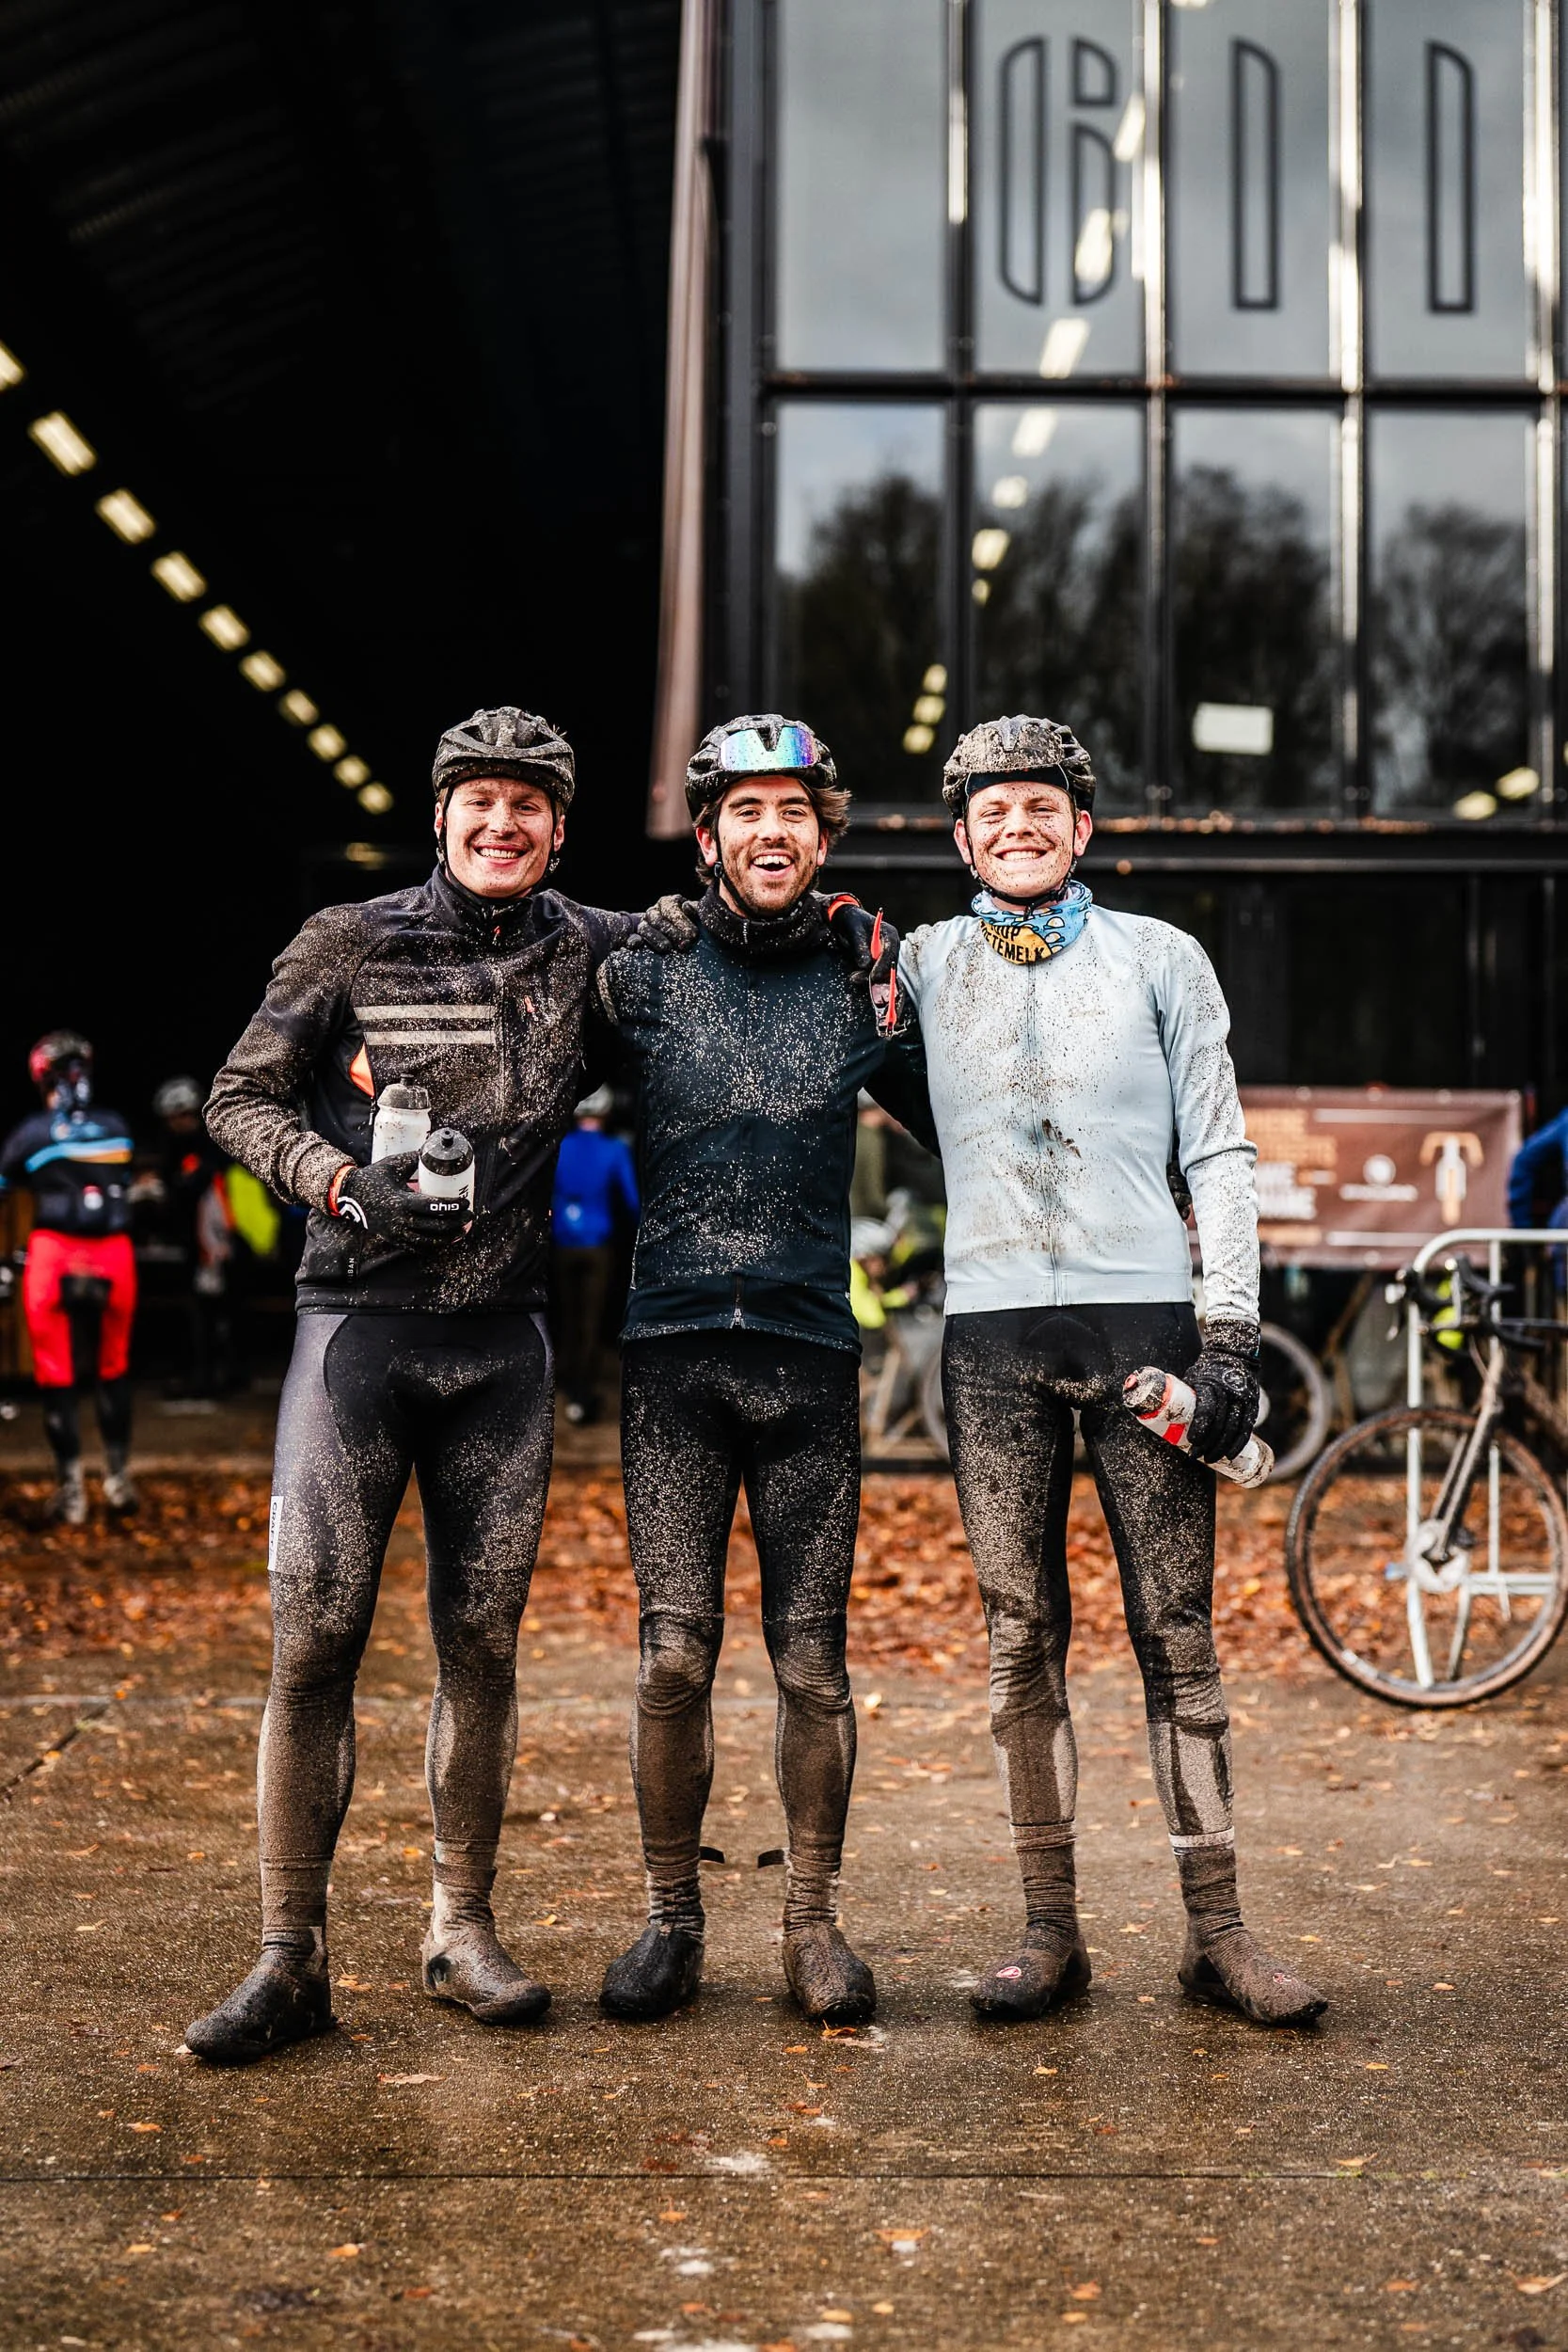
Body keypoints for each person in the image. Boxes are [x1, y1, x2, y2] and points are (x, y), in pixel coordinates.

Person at [186, 707, 690, 2065]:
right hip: (354, 1332)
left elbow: (719, 942)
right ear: (442, 815)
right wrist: (340, 1182)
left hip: (503, 1353)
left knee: (481, 1648)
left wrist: (845, 938)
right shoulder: (348, 939)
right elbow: (237, 1102)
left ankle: (459, 1928)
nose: (501, 824)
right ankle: (287, 1959)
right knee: (316, 1642)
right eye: (479, 801)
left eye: (528, 805)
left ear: (559, 829)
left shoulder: (593, 947)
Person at [897, 715, 1325, 2030]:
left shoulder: (1160, 956)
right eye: (990, 810)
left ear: (1081, 828)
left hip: (1144, 1326)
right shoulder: (912, 964)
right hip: (990, 1342)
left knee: (1176, 1636)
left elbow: (1220, 1156)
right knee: (1017, 1637)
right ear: (960, 838)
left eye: (1041, 806)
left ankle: (1217, 1933)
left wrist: (1231, 1337)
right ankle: (1048, 1931)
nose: (1016, 825)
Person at [592, 712, 923, 2028]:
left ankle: (810, 1928)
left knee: (812, 1666)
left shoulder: (861, 977)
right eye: (744, 811)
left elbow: (968, 1123)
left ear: (823, 834)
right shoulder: (642, 973)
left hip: (807, 1360)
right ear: (707, 834)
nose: (769, 831)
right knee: (672, 1659)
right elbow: (511, 1072)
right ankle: (671, 1921)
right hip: (672, 1356)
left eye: (794, 812)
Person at [0, 1033, 138, 1524]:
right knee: (113, 1365)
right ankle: (118, 1481)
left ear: (41, 1079)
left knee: (55, 1371)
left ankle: (71, 1491)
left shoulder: (31, 1133)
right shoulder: (116, 1126)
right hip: (113, 1254)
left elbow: (7, 1181)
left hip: (54, 1253)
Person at [551, 1087, 639, 1422]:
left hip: (562, 1244)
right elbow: (631, 1202)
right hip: (597, 1245)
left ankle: (565, 1387)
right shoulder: (614, 1149)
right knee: (590, 1321)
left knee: (565, 1317)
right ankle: (582, 1395)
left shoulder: (560, 1147)